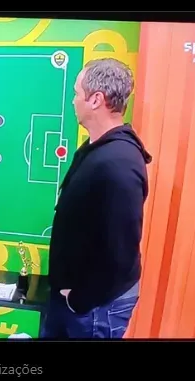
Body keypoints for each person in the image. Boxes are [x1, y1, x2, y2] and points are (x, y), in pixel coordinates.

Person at [43, 57, 152, 339]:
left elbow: (120, 251)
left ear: (96, 100)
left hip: (93, 308)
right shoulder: (96, 148)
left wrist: (79, 299)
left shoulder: (118, 164)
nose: (73, 101)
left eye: (77, 93)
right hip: (72, 302)